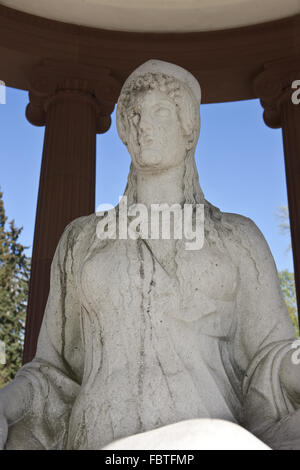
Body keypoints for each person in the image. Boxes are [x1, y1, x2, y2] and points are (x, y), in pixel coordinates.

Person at [0, 60, 299, 450]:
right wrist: (6, 402)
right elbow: (51, 371)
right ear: (124, 130)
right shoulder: (80, 240)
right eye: (134, 114)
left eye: (160, 111)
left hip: (206, 440)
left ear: (188, 129)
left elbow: (272, 355)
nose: (144, 125)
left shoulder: (236, 238)